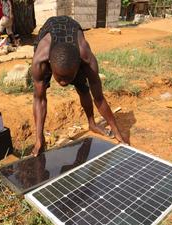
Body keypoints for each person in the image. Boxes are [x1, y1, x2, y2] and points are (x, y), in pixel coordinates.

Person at [31, 16, 127, 156]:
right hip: (50, 29)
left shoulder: (87, 59)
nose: (64, 83)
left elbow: (99, 98)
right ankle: (41, 139)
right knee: (39, 92)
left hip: (72, 29)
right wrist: (39, 139)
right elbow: (39, 99)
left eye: (69, 77)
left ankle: (92, 124)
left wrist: (118, 133)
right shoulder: (40, 61)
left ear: (78, 66)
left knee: (83, 88)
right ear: (50, 64)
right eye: (59, 77)